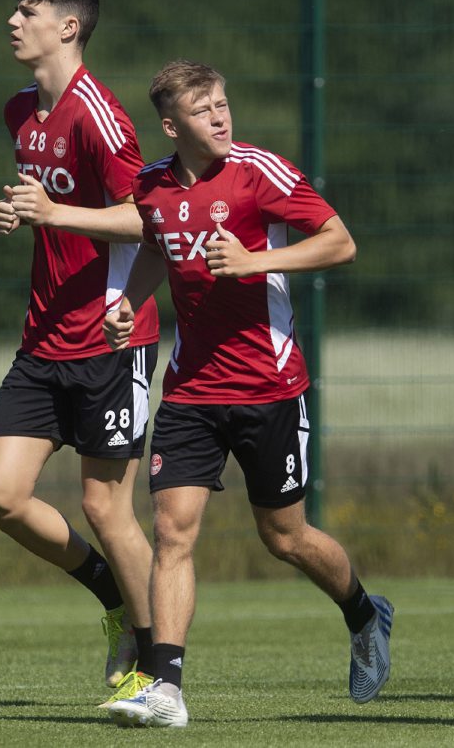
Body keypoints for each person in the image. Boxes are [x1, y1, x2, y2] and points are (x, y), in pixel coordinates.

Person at [101, 60, 393, 729]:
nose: (222, 118)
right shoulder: (151, 188)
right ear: (173, 126)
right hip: (191, 392)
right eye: (205, 111)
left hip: (271, 387)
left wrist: (259, 260)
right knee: (172, 532)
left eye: (225, 104)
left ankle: (362, 612)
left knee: (284, 537)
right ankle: (167, 689)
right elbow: (157, 243)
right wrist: (128, 302)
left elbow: (340, 243)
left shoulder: (261, 171)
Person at [0, 0, 158, 704]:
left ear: (69, 26)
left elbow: (148, 218)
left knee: (108, 509)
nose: (14, 22)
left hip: (111, 337)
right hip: (43, 338)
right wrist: (23, 211)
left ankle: (156, 665)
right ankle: (113, 596)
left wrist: (56, 215)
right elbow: (54, 206)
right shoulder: (22, 110)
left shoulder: (101, 114)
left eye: (28, 11)